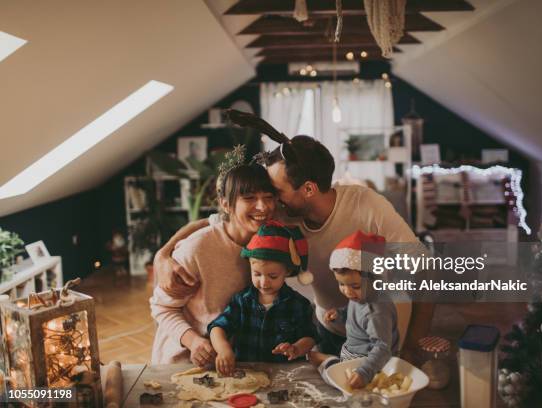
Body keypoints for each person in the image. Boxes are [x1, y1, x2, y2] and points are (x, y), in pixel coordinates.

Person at [155, 135, 431, 357]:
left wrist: (414, 345)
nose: (268, 202)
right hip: (329, 329)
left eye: (275, 191)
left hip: (380, 330)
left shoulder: (367, 206)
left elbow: (426, 270)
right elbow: (218, 221)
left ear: (308, 190)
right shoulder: (282, 211)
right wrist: (164, 254)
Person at [149, 162, 276, 365]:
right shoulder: (197, 248)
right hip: (185, 360)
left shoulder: (270, 241)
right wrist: (193, 342)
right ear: (226, 204)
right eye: (249, 198)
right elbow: (162, 308)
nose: (262, 207)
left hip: (235, 360)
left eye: (268, 198)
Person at [208, 220, 317, 375]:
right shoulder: (241, 301)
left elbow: (310, 336)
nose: (264, 282)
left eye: (273, 276)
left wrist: (296, 348)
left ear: (287, 271)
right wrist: (224, 350)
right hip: (245, 374)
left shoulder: (298, 304)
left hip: (285, 376)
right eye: (257, 274)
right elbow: (217, 328)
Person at [309, 231, 399, 389]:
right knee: (314, 357)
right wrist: (341, 314)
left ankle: (328, 361)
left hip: (370, 366)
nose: (347, 292)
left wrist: (364, 373)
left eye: (355, 286)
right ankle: (329, 360)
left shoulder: (376, 311)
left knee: (330, 376)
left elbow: (382, 348)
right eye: (341, 284)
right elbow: (356, 315)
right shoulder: (361, 297)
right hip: (353, 355)